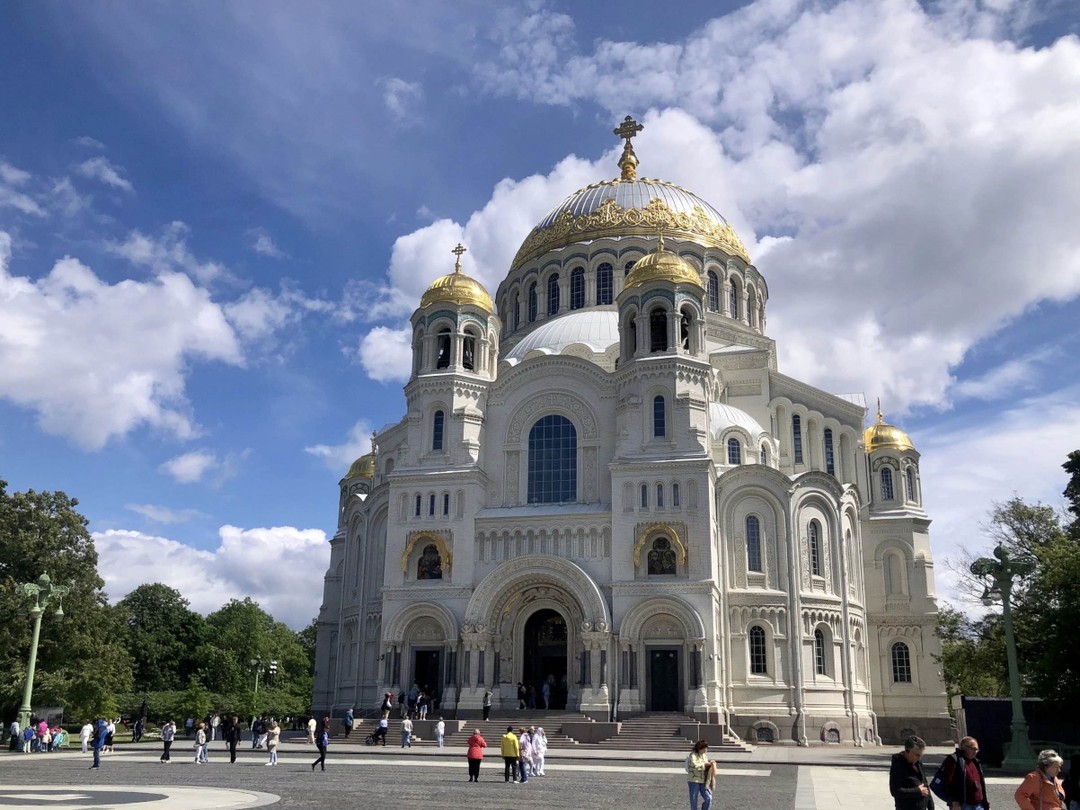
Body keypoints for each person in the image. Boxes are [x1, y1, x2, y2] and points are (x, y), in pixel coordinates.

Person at [938, 736, 991, 810]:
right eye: (973, 749)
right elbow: (948, 782)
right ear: (964, 747)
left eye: (977, 749)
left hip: (979, 804)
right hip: (963, 804)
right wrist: (954, 801)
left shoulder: (975, 762)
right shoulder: (954, 760)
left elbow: (981, 784)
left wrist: (986, 803)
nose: (975, 752)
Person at [890, 735, 933, 810]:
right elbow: (895, 791)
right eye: (917, 755)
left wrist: (931, 806)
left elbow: (925, 785)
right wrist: (917, 791)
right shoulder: (898, 766)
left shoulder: (918, 763)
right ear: (907, 751)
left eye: (921, 755)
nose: (919, 758)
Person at [685, 739, 714, 810]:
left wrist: (710, 764)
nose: (706, 750)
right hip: (694, 780)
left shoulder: (704, 756)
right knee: (694, 799)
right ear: (700, 748)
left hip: (703, 780)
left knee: (708, 798)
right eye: (705, 748)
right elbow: (694, 765)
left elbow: (706, 764)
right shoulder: (693, 755)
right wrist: (704, 764)